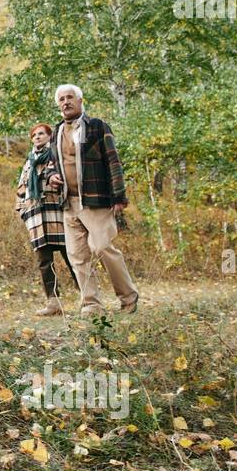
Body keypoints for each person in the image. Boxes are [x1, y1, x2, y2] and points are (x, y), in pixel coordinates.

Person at [45, 84, 140, 316]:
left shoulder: (97, 126)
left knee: (103, 247)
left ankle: (129, 298)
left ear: (80, 100)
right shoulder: (57, 131)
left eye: (70, 98)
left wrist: (119, 196)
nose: (65, 102)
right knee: (77, 256)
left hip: (96, 200)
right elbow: (51, 164)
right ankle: (91, 304)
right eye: (61, 99)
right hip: (69, 202)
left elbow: (113, 161)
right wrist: (52, 176)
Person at [15, 122, 78, 315]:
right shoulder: (29, 161)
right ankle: (53, 303)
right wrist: (22, 210)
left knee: (73, 257)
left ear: (50, 136)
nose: (37, 137)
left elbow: (68, 178)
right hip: (36, 217)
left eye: (41, 134)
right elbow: (21, 188)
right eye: (34, 135)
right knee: (44, 261)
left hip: (58, 213)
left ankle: (89, 296)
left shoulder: (56, 155)